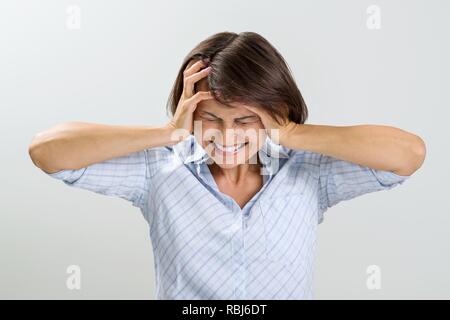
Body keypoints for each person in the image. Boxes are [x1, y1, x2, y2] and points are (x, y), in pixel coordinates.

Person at [28, 31, 426, 299]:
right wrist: (168, 133)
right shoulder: (159, 171)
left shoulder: (310, 173)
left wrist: (290, 133)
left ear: (276, 111)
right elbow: (48, 150)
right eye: (211, 119)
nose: (227, 136)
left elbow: (407, 154)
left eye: (245, 120)